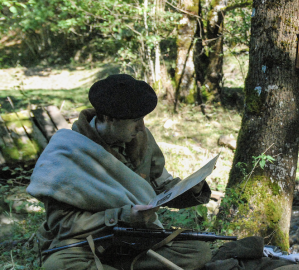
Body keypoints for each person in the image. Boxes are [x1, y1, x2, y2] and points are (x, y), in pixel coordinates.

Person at [27, 74, 213, 269]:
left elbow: (160, 188)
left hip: (136, 240)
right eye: (135, 120)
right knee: (58, 267)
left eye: (143, 119)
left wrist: (191, 188)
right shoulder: (68, 153)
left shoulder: (142, 141)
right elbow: (62, 225)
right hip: (86, 245)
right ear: (109, 119)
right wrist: (122, 216)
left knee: (198, 251)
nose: (141, 127)